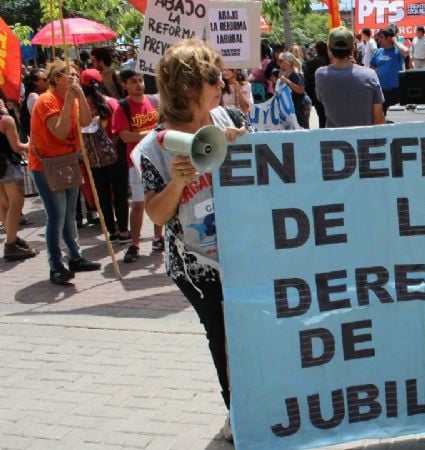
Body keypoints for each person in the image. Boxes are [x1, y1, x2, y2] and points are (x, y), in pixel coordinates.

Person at [138, 38, 245, 442]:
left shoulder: (227, 117)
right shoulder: (154, 148)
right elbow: (156, 214)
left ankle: (259, 403)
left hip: (242, 251)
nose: (222, 82)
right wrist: (177, 183)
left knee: (250, 330)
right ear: (186, 87)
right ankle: (239, 414)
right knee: (224, 336)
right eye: (212, 77)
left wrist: (246, 144)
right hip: (197, 265)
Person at [29, 59, 100, 285]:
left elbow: (86, 122)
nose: (74, 78)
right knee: (56, 215)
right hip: (47, 165)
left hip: (68, 161)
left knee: (69, 213)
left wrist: (79, 97)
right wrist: (69, 101)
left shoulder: (75, 98)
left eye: (76, 75)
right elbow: (59, 132)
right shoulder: (46, 101)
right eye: (70, 75)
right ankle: (56, 265)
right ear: (57, 78)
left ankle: (75, 256)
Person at [112, 68, 164, 262]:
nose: (139, 84)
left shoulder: (154, 101)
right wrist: (152, 133)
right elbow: (125, 136)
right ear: (124, 84)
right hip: (137, 163)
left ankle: (158, 238)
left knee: (160, 198)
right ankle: (134, 244)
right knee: (139, 204)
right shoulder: (122, 107)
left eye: (140, 80)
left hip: (157, 158)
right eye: (133, 81)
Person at [79, 69, 130, 248]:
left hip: (93, 158)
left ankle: (111, 231)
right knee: (120, 194)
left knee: (102, 195)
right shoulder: (113, 103)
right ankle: (124, 231)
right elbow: (119, 130)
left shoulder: (79, 107)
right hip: (115, 154)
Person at [316, 27, 385, 128]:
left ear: (329, 48)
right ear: (353, 49)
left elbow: (322, 100)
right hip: (365, 137)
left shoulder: (320, 75)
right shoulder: (370, 75)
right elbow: (378, 118)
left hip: (335, 137)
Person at [0, 99, 35, 261]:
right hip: (7, 165)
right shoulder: (6, 120)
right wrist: (30, 144)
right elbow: (16, 147)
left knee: (3, 205)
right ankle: (11, 244)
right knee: (16, 204)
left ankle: (12, 237)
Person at [371, 27, 409, 115]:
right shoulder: (378, 52)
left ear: (389, 38)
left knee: (396, 117)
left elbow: (406, 51)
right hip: (380, 92)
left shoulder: (398, 51)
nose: (379, 40)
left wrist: (395, 41)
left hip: (396, 92)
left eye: (381, 37)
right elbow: (372, 69)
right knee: (381, 117)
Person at [276, 52, 309, 129]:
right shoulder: (285, 74)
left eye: (280, 60)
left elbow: (301, 90)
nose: (278, 63)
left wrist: (288, 82)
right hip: (293, 107)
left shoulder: (296, 74)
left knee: (302, 129)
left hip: (300, 106)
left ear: (287, 62)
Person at [303, 41, 330, 128]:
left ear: (316, 49)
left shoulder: (312, 62)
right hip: (329, 91)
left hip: (317, 91)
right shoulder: (330, 60)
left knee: (321, 116)